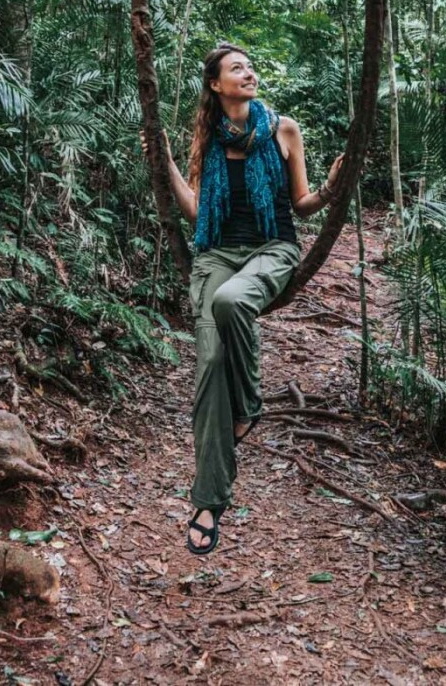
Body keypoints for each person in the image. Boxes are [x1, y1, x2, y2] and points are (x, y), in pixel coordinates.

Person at [142, 42, 344, 555]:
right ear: (215, 84)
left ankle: (250, 400)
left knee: (232, 302)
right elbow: (196, 210)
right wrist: (164, 161)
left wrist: (331, 188)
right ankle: (209, 501)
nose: (249, 72)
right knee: (208, 364)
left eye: (251, 66)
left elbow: (301, 206)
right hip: (215, 255)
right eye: (237, 68)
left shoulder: (283, 129)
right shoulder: (207, 137)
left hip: (271, 249)